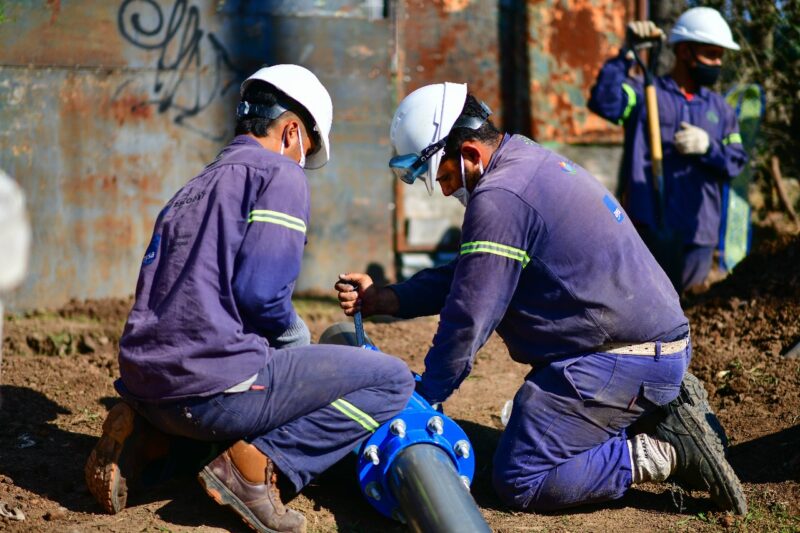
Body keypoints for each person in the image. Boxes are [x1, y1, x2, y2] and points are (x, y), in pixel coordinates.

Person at [336, 82, 747, 514]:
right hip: (642, 344)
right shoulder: (524, 160)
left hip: (625, 355)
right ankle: (651, 406)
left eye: (444, 176)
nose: (443, 190)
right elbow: (472, 276)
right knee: (530, 418)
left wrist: (428, 395)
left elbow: (470, 316)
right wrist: (388, 299)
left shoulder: (500, 198)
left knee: (519, 478)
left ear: (471, 154)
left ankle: (662, 452)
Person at [85, 64, 415, 533]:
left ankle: (146, 438)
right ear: (292, 132)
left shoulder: (196, 184)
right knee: (392, 381)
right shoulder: (279, 175)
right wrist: (294, 335)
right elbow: (261, 295)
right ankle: (257, 468)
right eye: (307, 150)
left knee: (226, 400)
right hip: (210, 392)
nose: (304, 162)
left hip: (148, 387)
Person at [588, 7, 747, 294]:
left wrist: (708, 148)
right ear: (685, 52)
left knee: (694, 315)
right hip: (648, 228)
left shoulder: (721, 111)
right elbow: (605, 102)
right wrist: (627, 52)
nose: (718, 63)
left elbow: (736, 163)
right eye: (711, 54)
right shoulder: (645, 93)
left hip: (698, 235)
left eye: (721, 56)